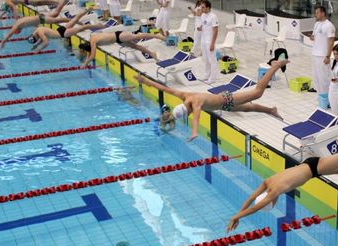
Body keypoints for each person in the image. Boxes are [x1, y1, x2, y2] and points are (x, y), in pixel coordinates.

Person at [226, 124, 338, 232]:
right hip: (308, 164)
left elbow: (255, 207)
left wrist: (238, 217)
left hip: (315, 167)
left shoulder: (274, 191)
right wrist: (236, 215)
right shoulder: (267, 182)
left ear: (271, 202)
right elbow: (251, 199)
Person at [135, 60, 288, 142]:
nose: (189, 114)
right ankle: (271, 110)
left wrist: (194, 132)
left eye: (187, 113)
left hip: (226, 98)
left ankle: (274, 66)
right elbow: (164, 88)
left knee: (257, 93)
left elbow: (196, 118)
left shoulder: (195, 104)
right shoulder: (184, 96)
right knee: (249, 108)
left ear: (186, 110)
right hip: (223, 104)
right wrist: (145, 81)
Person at [27, 9, 104, 52]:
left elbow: (46, 42)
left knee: (82, 28)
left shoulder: (39, 33)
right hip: (60, 30)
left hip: (63, 34)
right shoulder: (38, 31)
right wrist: (36, 45)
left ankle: (98, 26)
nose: (37, 40)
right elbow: (42, 39)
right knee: (75, 19)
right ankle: (87, 9)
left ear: (34, 37)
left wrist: (38, 49)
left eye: (35, 40)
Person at [80, 31, 165, 67]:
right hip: (118, 39)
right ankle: (152, 54)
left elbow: (92, 56)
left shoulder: (93, 42)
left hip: (119, 36)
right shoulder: (91, 40)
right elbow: (89, 53)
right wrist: (85, 63)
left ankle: (157, 36)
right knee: (135, 46)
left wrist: (85, 64)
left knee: (138, 36)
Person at [310, 5, 335, 108]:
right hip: (315, 54)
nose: (315, 15)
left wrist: (328, 56)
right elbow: (315, 37)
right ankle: (321, 98)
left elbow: (331, 42)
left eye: (317, 13)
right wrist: (312, 37)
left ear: (323, 13)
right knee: (317, 78)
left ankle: (329, 100)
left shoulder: (329, 26)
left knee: (324, 78)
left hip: (323, 56)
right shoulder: (316, 24)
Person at [0, 14, 70, 49]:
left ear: (16, 30)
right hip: (39, 19)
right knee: (55, 16)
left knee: (56, 20)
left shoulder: (17, 26)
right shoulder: (18, 23)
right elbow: (31, 23)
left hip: (41, 19)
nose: (20, 31)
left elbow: (10, 34)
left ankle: (70, 19)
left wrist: (3, 42)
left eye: (19, 31)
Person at [199, 0, 219, 84]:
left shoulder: (213, 17)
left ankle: (212, 78)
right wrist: (199, 28)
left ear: (208, 7)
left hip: (209, 41)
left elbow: (215, 31)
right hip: (203, 40)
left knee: (212, 60)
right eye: (201, 7)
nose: (201, 8)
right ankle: (207, 75)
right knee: (206, 59)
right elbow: (203, 25)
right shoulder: (203, 15)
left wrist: (212, 43)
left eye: (203, 7)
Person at [0, 0, 67, 18]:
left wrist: (16, 18)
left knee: (41, 2)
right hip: (26, 1)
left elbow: (14, 8)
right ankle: (57, 3)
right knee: (41, 2)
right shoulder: (8, 4)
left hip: (26, 1)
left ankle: (58, 2)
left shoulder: (8, 2)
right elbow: (8, 10)